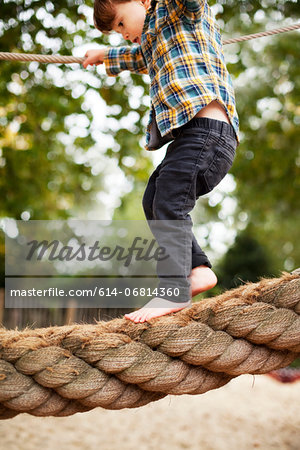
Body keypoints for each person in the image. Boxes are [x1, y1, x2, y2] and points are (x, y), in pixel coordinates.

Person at [82, 0, 239, 323]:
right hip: (192, 137)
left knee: (168, 199)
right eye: (118, 31)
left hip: (209, 132)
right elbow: (136, 57)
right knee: (154, 198)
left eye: (122, 24)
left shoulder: (181, 12)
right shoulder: (152, 40)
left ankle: (172, 288)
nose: (123, 34)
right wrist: (103, 54)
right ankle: (197, 269)